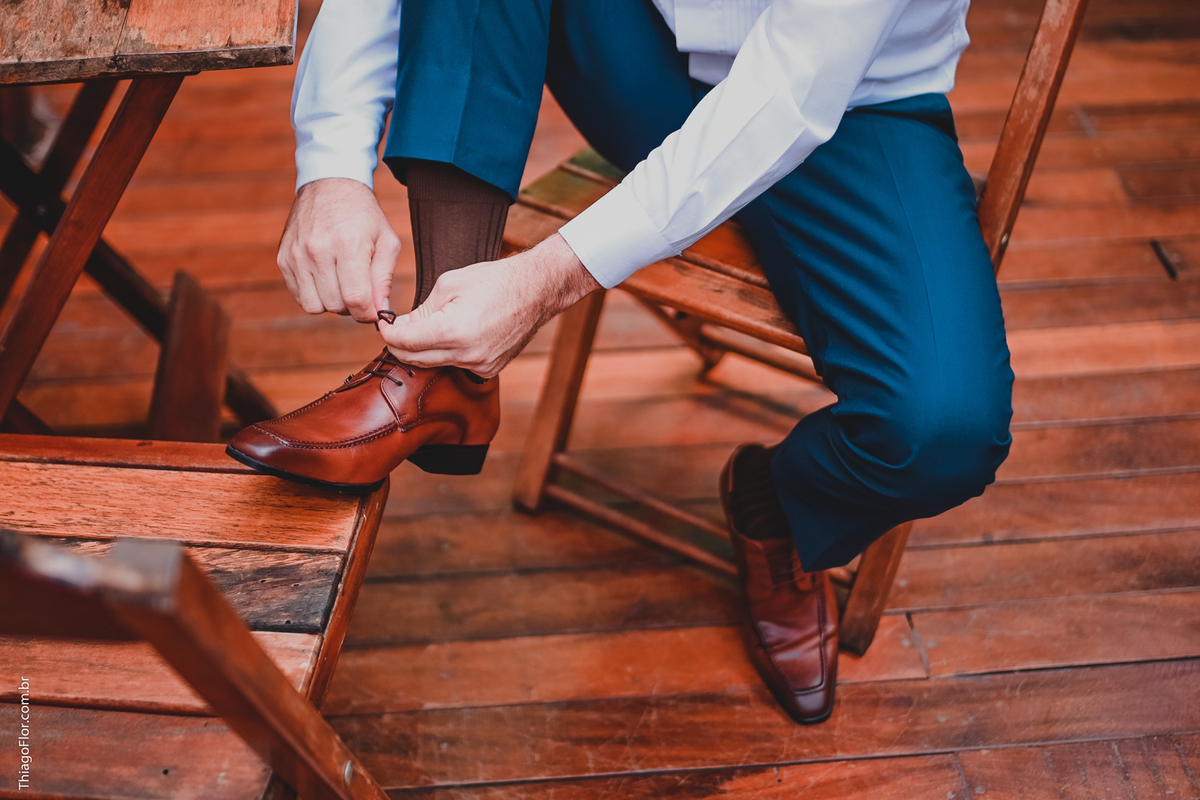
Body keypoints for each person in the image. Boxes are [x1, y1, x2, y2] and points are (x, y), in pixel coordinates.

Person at [228, 0, 1014, 724]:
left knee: (943, 430)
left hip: (858, 104)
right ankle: (447, 371)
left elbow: (793, 85)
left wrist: (544, 279)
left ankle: (774, 506)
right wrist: (332, 164)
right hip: (642, 50)